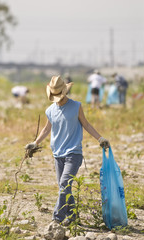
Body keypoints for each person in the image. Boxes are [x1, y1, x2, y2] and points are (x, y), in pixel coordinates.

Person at [25, 75, 110, 226]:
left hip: (73, 153)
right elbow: (46, 129)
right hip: (57, 154)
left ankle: (56, 218)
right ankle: (72, 216)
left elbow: (87, 125)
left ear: (65, 92)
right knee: (65, 187)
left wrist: (100, 138)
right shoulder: (50, 110)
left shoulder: (76, 106)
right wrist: (35, 143)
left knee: (64, 184)